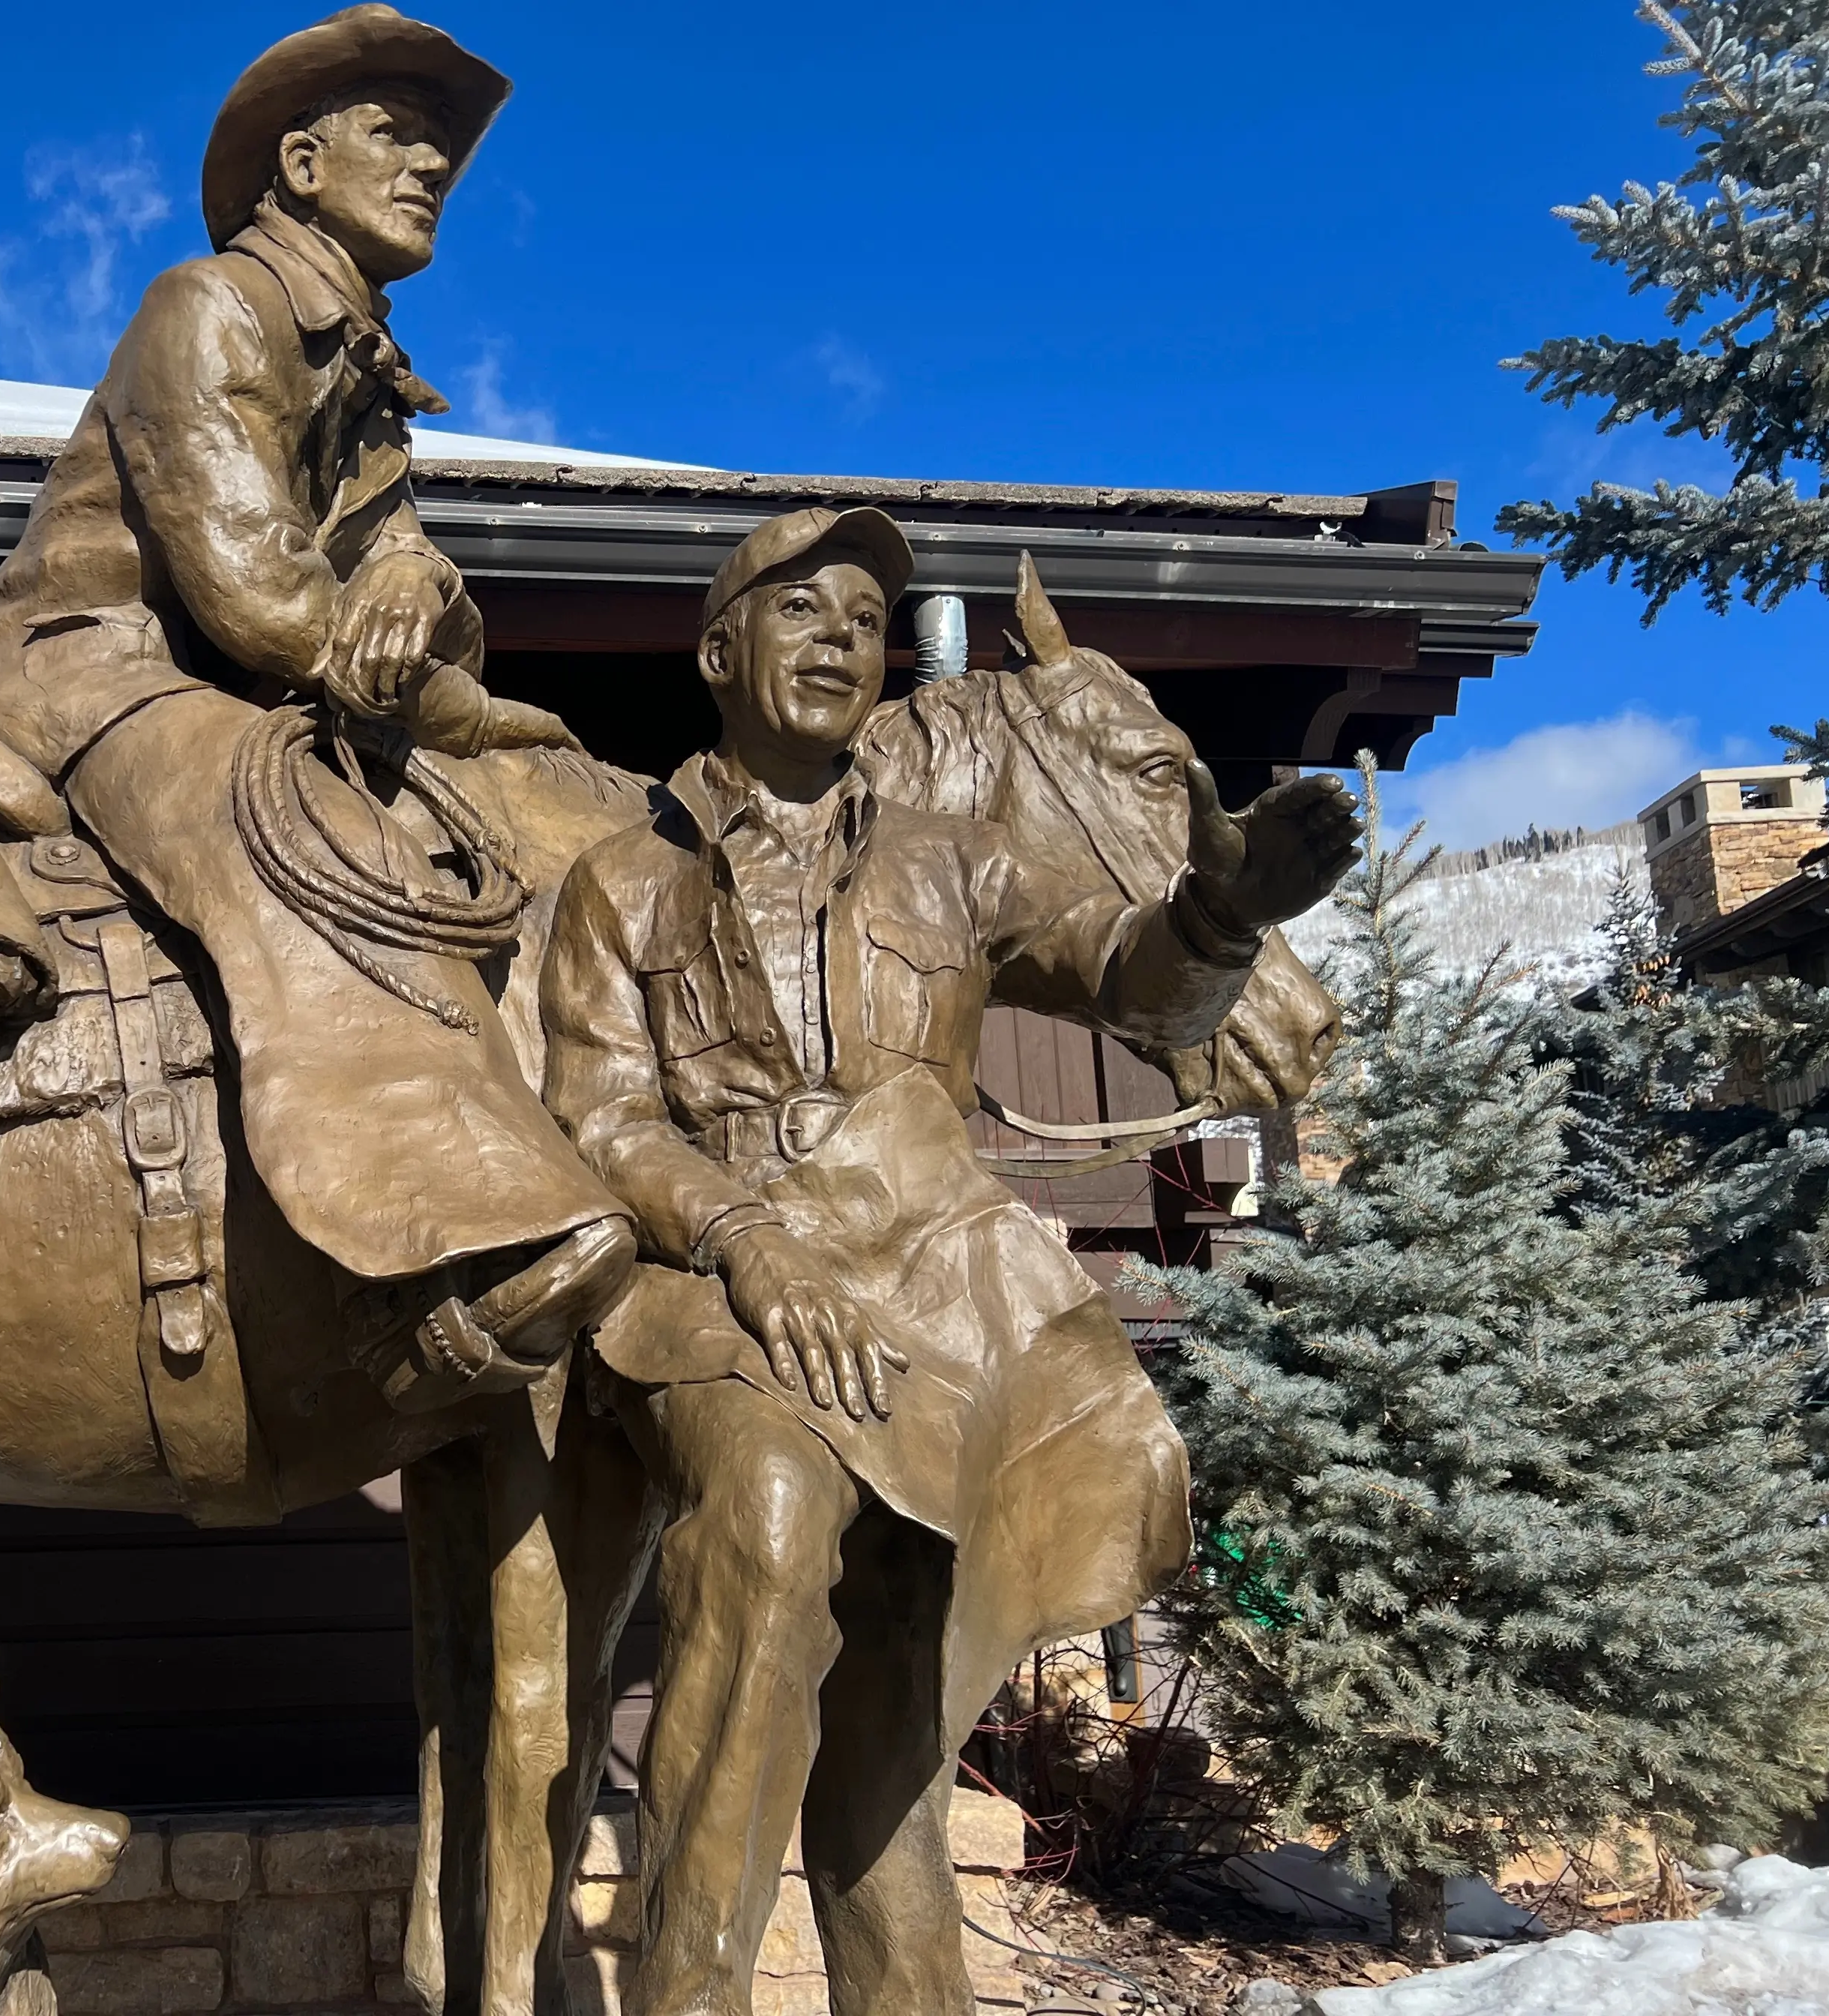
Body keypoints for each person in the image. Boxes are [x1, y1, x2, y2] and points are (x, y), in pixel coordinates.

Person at [539, 505, 1363, 2016]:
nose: (844, 639)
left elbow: (1130, 978)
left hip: (926, 1291)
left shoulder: (957, 867)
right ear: (719, 652)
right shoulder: (623, 883)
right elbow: (602, 1120)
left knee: (907, 1676)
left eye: (868, 620)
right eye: (804, 610)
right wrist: (747, 1244)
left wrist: (1222, 912)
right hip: (714, 1290)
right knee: (773, 1515)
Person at [0, 7, 631, 1395]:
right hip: (85, 666)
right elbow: (260, 596)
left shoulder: (363, 375)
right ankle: (426, 1233)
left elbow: (406, 583)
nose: (432, 167)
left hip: (229, 683)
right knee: (306, 834)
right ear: (303, 166)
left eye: (442, 151)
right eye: (396, 134)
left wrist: (422, 593)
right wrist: (459, 706)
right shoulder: (208, 309)